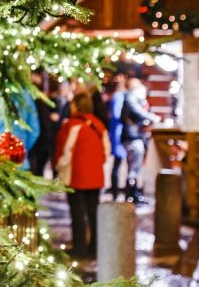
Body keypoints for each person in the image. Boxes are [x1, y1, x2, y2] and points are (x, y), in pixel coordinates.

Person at [55, 91, 110, 258]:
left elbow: (65, 152)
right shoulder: (99, 124)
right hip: (95, 176)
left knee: (77, 213)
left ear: (76, 105)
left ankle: (79, 248)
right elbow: (106, 151)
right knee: (93, 213)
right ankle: (95, 247)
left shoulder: (71, 125)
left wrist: (58, 167)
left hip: (76, 176)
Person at [121, 77, 158, 204]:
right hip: (133, 137)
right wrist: (153, 118)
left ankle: (134, 194)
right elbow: (138, 112)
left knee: (134, 167)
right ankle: (131, 195)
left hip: (134, 136)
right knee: (134, 168)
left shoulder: (131, 98)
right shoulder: (131, 97)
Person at [106, 72, 128, 200]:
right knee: (117, 164)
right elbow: (115, 115)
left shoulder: (119, 96)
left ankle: (116, 190)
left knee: (117, 164)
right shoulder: (119, 96)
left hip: (117, 132)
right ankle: (115, 191)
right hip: (117, 133)